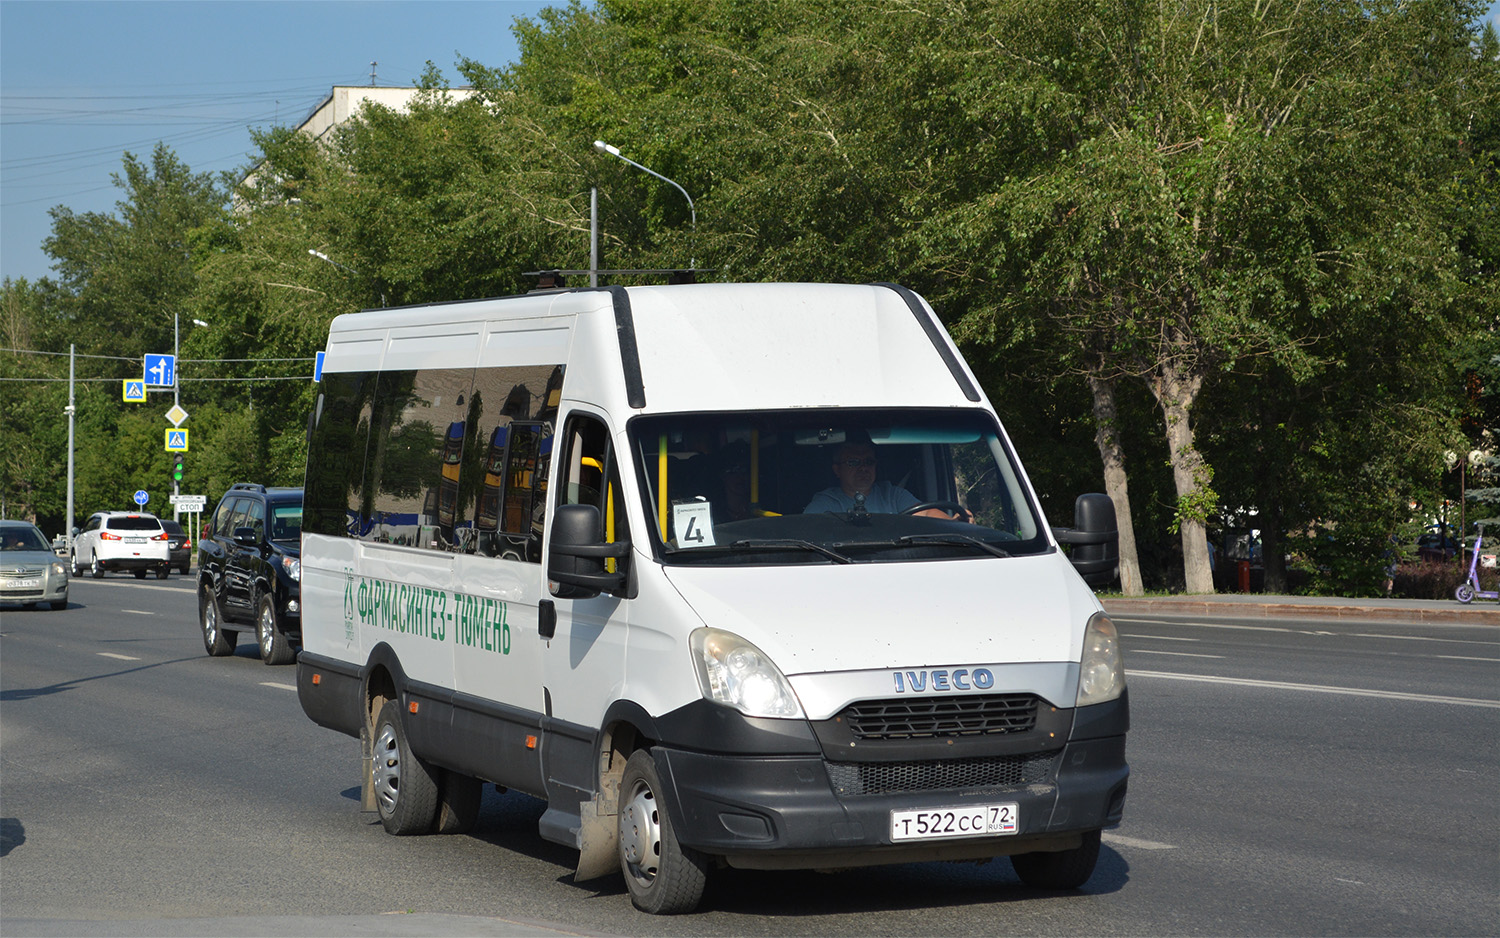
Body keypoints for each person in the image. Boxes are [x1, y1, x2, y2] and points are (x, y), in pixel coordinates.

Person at [805, 438, 964, 519]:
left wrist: (953, 523)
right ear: (837, 470)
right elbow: (806, 534)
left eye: (869, 462)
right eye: (853, 462)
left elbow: (927, 514)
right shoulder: (825, 503)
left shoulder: (893, 495)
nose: (863, 468)